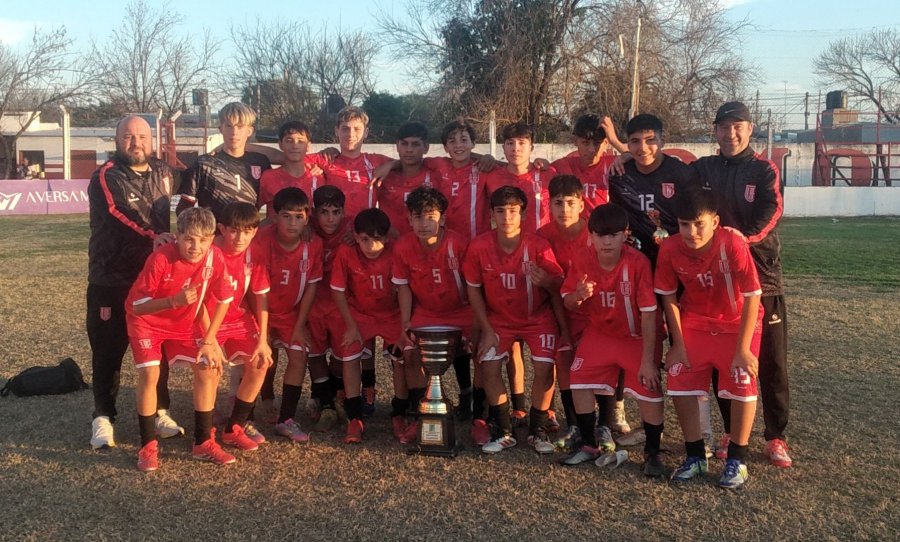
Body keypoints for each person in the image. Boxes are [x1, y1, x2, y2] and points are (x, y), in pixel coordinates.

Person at [692, 101, 792, 468]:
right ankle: (733, 431)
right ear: (714, 131)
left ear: (750, 130)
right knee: (725, 363)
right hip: (719, 285)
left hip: (763, 279)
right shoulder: (703, 168)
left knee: (771, 363)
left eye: (738, 127)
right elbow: (665, 177)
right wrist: (623, 156)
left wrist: (740, 238)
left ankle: (776, 435)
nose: (730, 133)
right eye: (723, 127)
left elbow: (773, 212)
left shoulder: (764, 169)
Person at [655, 187, 762, 489]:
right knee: (679, 379)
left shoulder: (733, 243)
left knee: (742, 379)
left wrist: (743, 349)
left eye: (698, 223)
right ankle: (694, 456)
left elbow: (753, 295)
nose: (691, 232)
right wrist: (677, 345)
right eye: (684, 224)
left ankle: (736, 460)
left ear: (714, 222)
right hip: (696, 321)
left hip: (738, 322)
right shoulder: (670, 248)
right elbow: (669, 298)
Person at [87, 114, 182, 450]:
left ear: (151, 140)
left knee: (158, 349)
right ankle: (103, 417)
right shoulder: (105, 176)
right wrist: (155, 234)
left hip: (154, 279)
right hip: (110, 278)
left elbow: (200, 187)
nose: (136, 143)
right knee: (108, 351)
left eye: (142, 136)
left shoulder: (164, 172)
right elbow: (120, 213)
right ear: (117, 140)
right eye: (128, 136)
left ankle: (160, 410)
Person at [607, 113, 699, 446]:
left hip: (679, 269)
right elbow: (618, 219)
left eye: (650, 139)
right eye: (634, 141)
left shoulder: (681, 172)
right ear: (626, 144)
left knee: (685, 343)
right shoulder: (619, 175)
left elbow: (697, 215)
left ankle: (699, 428)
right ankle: (625, 414)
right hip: (639, 268)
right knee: (635, 338)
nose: (643, 147)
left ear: (662, 138)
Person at [559, 204, 665, 477]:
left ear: (625, 235)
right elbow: (568, 302)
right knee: (578, 379)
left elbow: (650, 314)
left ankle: (653, 453)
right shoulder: (582, 259)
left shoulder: (637, 262)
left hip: (635, 336)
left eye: (613, 235)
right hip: (601, 333)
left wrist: (648, 361)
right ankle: (588, 444)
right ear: (590, 235)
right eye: (600, 235)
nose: (606, 242)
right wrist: (579, 295)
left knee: (649, 387)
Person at [126, 207, 235, 472]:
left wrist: (210, 341)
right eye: (189, 239)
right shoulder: (161, 258)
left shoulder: (215, 257)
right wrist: (173, 301)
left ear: (212, 238)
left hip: (185, 322)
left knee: (208, 368)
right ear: (178, 236)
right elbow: (137, 306)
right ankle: (148, 446)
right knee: (151, 375)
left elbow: (224, 300)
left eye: (203, 239)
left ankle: (202, 442)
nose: (196, 246)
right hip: (147, 322)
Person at [463, 186, 568, 455]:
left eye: (513, 211)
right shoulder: (479, 246)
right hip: (499, 319)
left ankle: (537, 429)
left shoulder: (538, 245)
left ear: (522, 214)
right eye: (501, 211)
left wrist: (546, 281)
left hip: (537, 318)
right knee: (487, 364)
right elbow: (473, 289)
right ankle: (503, 429)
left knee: (545, 367)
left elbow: (558, 284)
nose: (507, 217)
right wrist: (485, 328)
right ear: (491, 215)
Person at [392, 186, 474, 443]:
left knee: (482, 353)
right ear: (409, 219)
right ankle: (420, 413)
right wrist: (406, 323)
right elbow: (403, 286)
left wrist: (477, 324)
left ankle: (481, 415)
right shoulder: (403, 246)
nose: (424, 223)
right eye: (418, 217)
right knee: (409, 352)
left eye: (430, 216)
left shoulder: (458, 244)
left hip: (462, 311)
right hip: (427, 312)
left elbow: (473, 286)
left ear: (443, 218)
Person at [536, 174, 609, 450]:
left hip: (595, 309)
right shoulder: (543, 236)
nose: (564, 209)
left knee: (600, 363)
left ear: (581, 205)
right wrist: (550, 284)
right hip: (560, 309)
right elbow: (550, 284)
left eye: (570, 202)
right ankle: (574, 423)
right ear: (549, 204)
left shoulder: (594, 234)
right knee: (564, 361)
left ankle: (603, 424)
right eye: (558, 203)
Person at [331, 208, 409, 444]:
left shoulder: (396, 251)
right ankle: (354, 418)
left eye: (377, 239)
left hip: (391, 313)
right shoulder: (346, 252)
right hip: (360, 314)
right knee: (350, 354)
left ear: (386, 238)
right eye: (365, 239)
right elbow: (338, 290)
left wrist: (405, 326)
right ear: (356, 237)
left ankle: (399, 412)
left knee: (402, 358)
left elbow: (404, 288)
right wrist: (351, 325)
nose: (371, 246)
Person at [253, 187, 324, 443]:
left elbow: (312, 285)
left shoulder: (313, 244)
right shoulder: (261, 239)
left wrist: (299, 324)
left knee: (298, 355)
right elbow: (257, 291)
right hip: (258, 310)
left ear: (307, 217)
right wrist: (262, 333)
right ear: (274, 216)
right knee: (260, 357)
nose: (292, 222)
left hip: (291, 313)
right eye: (286, 216)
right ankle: (251, 410)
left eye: (299, 216)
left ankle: (286, 419)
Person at [208, 202, 273, 451]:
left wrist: (263, 339)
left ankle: (235, 426)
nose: (240, 237)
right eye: (234, 231)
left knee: (260, 362)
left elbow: (261, 295)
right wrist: (209, 339)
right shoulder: (209, 249)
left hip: (236, 318)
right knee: (210, 367)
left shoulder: (254, 252)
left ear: (255, 231)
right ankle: (207, 422)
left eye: (247, 231)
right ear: (222, 229)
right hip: (205, 320)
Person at [306, 185, 354, 430]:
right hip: (312, 301)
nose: (331, 218)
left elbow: (388, 232)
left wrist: (357, 232)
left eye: (336, 212)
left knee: (338, 356)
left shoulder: (353, 227)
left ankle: (334, 397)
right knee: (314, 353)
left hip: (340, 303)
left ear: (344, 212)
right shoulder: (305, 227)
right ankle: (325, 402)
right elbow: (271, 226)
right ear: (314, 212)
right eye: (324, 212)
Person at [177, 102, 272, 222]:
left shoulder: (261, 162)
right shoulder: (204, 163)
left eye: (240, 126)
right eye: (229, 126)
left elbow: (271, 205)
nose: (234, 132)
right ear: (220, 129)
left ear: (249, 131)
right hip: (213, 237)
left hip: (247, 237)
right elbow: (185, 207)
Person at [322, 106, 392, 219]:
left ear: (366, 132)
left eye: (357, 129)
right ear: (336, 131)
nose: (350, 134)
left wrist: (391, 165)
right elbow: (288, 159)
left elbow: (410, 162)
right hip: (336, 234)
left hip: (365, 232)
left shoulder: (376, 162)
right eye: (345, 128)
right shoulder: (326, 160)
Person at [551, 114, 626, 217]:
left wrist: (615, 141)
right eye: (585, 143)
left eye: (597, 143)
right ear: (575, 141)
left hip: (604, 230)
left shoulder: (614, 165)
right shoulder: (562, 166)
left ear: (606, 143)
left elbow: (643, 159)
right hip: (573, 231)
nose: (591, 150)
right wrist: (540, 162)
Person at [257, 120, 329, 221]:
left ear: (308, 146)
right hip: (276, 235)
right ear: (280, 144)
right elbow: (254, 212)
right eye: (289, 140)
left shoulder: (319, 177)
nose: (295, 145)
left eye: (300, 141)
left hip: (310, 236)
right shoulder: (268, 177)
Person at [377, 121, 436, 238]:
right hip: (390, 247)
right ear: (397, 146)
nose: (409, 150)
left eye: (415, 144)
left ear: (426, 147)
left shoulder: (437, 175)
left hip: (424, 247)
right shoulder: (384, 174)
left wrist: (482, 157)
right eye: (404, 144)